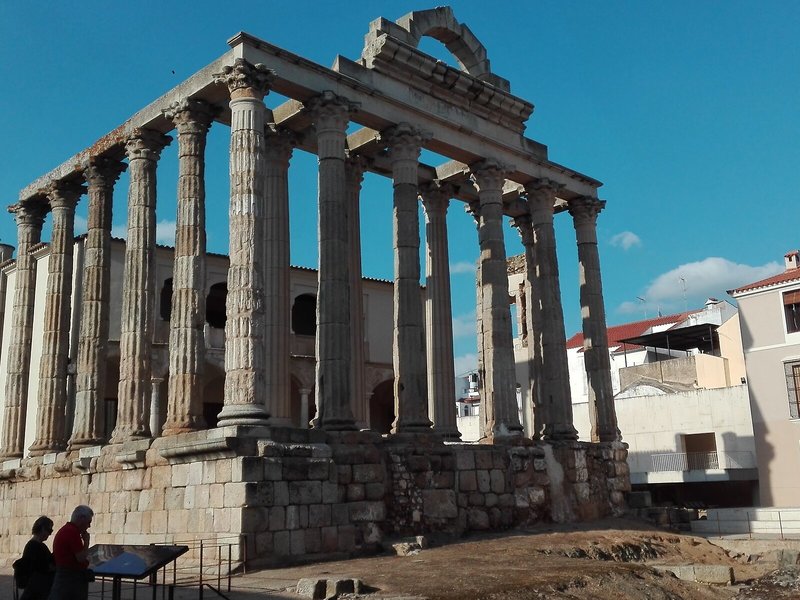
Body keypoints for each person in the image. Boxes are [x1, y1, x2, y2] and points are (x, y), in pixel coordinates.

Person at [47, 505, 93, 600]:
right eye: (88, 522)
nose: (89, 526)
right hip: (69, 579)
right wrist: (86, 543)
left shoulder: (67, 530)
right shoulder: (72, 532)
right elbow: (80, 558)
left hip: (66, 577)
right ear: (81, 519)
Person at [16, 516, 55, 600]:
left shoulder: (38, 545)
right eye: (49, 530)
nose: (50, 534)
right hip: (37, 590)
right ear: (42, 529)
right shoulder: (34, 546)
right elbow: (42, 566)